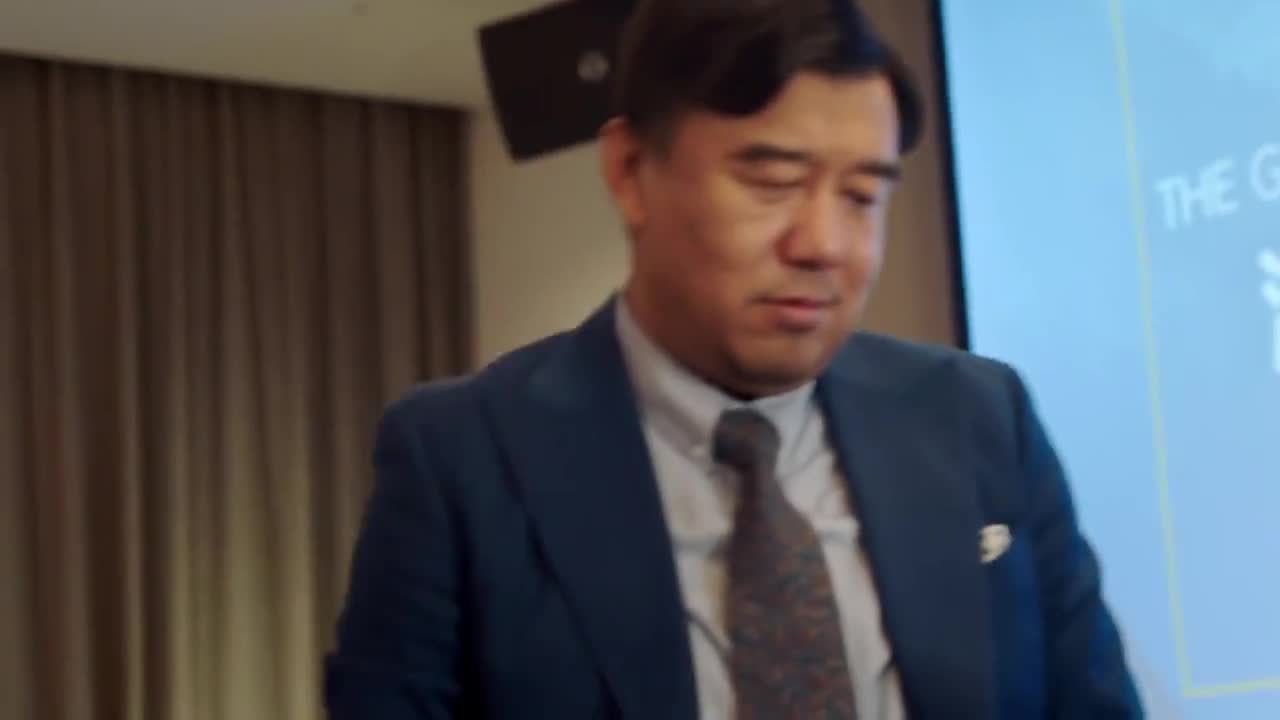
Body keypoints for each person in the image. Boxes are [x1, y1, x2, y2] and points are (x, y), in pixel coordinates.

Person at [323, 0, 1144, 717]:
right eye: (773, 182)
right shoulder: (462, 458)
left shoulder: (977, 419)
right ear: (630, 171)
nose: (823, 244)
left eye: (863, 197)